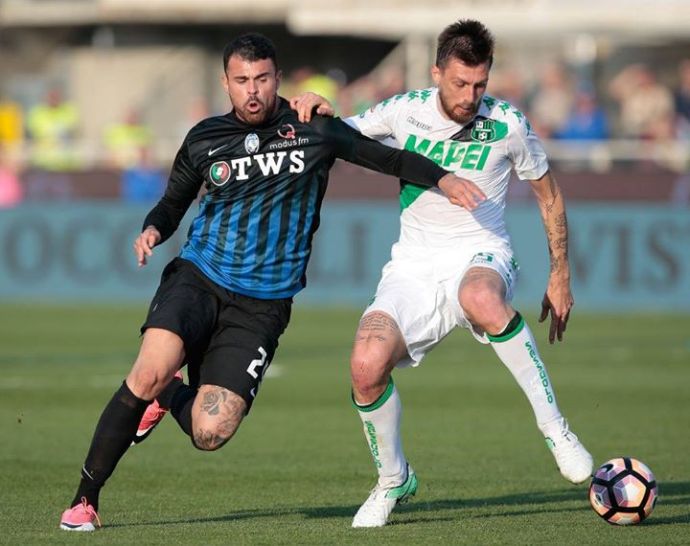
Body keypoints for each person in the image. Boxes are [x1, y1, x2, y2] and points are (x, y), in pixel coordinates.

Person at [58, 32, 483, 532]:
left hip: (262, 305)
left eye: (261, 78)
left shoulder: (313, 129)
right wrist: (153, 228)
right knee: (147, 370)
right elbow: (173, 202)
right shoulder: (204, 138)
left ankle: (169, 395)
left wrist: (444, 178)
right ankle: (85, 500)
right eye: (242, 80)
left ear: (278, 78)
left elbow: (385, 158)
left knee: (210, 432)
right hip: (199, 276)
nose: (252, 90)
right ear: (226, 83)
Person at [291, 19, 593, 527]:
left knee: (480, 297)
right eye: (459, 83)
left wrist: (560, 274)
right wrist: (319, 105)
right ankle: (393, 479)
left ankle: (555, 428)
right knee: (365, 366)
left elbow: (549, 195)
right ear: (436, 74)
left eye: (479, 84)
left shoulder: (507, 123)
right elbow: (342, 134)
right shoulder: (404, 110)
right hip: (413, 265)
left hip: (481, 253)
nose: (470, 96)